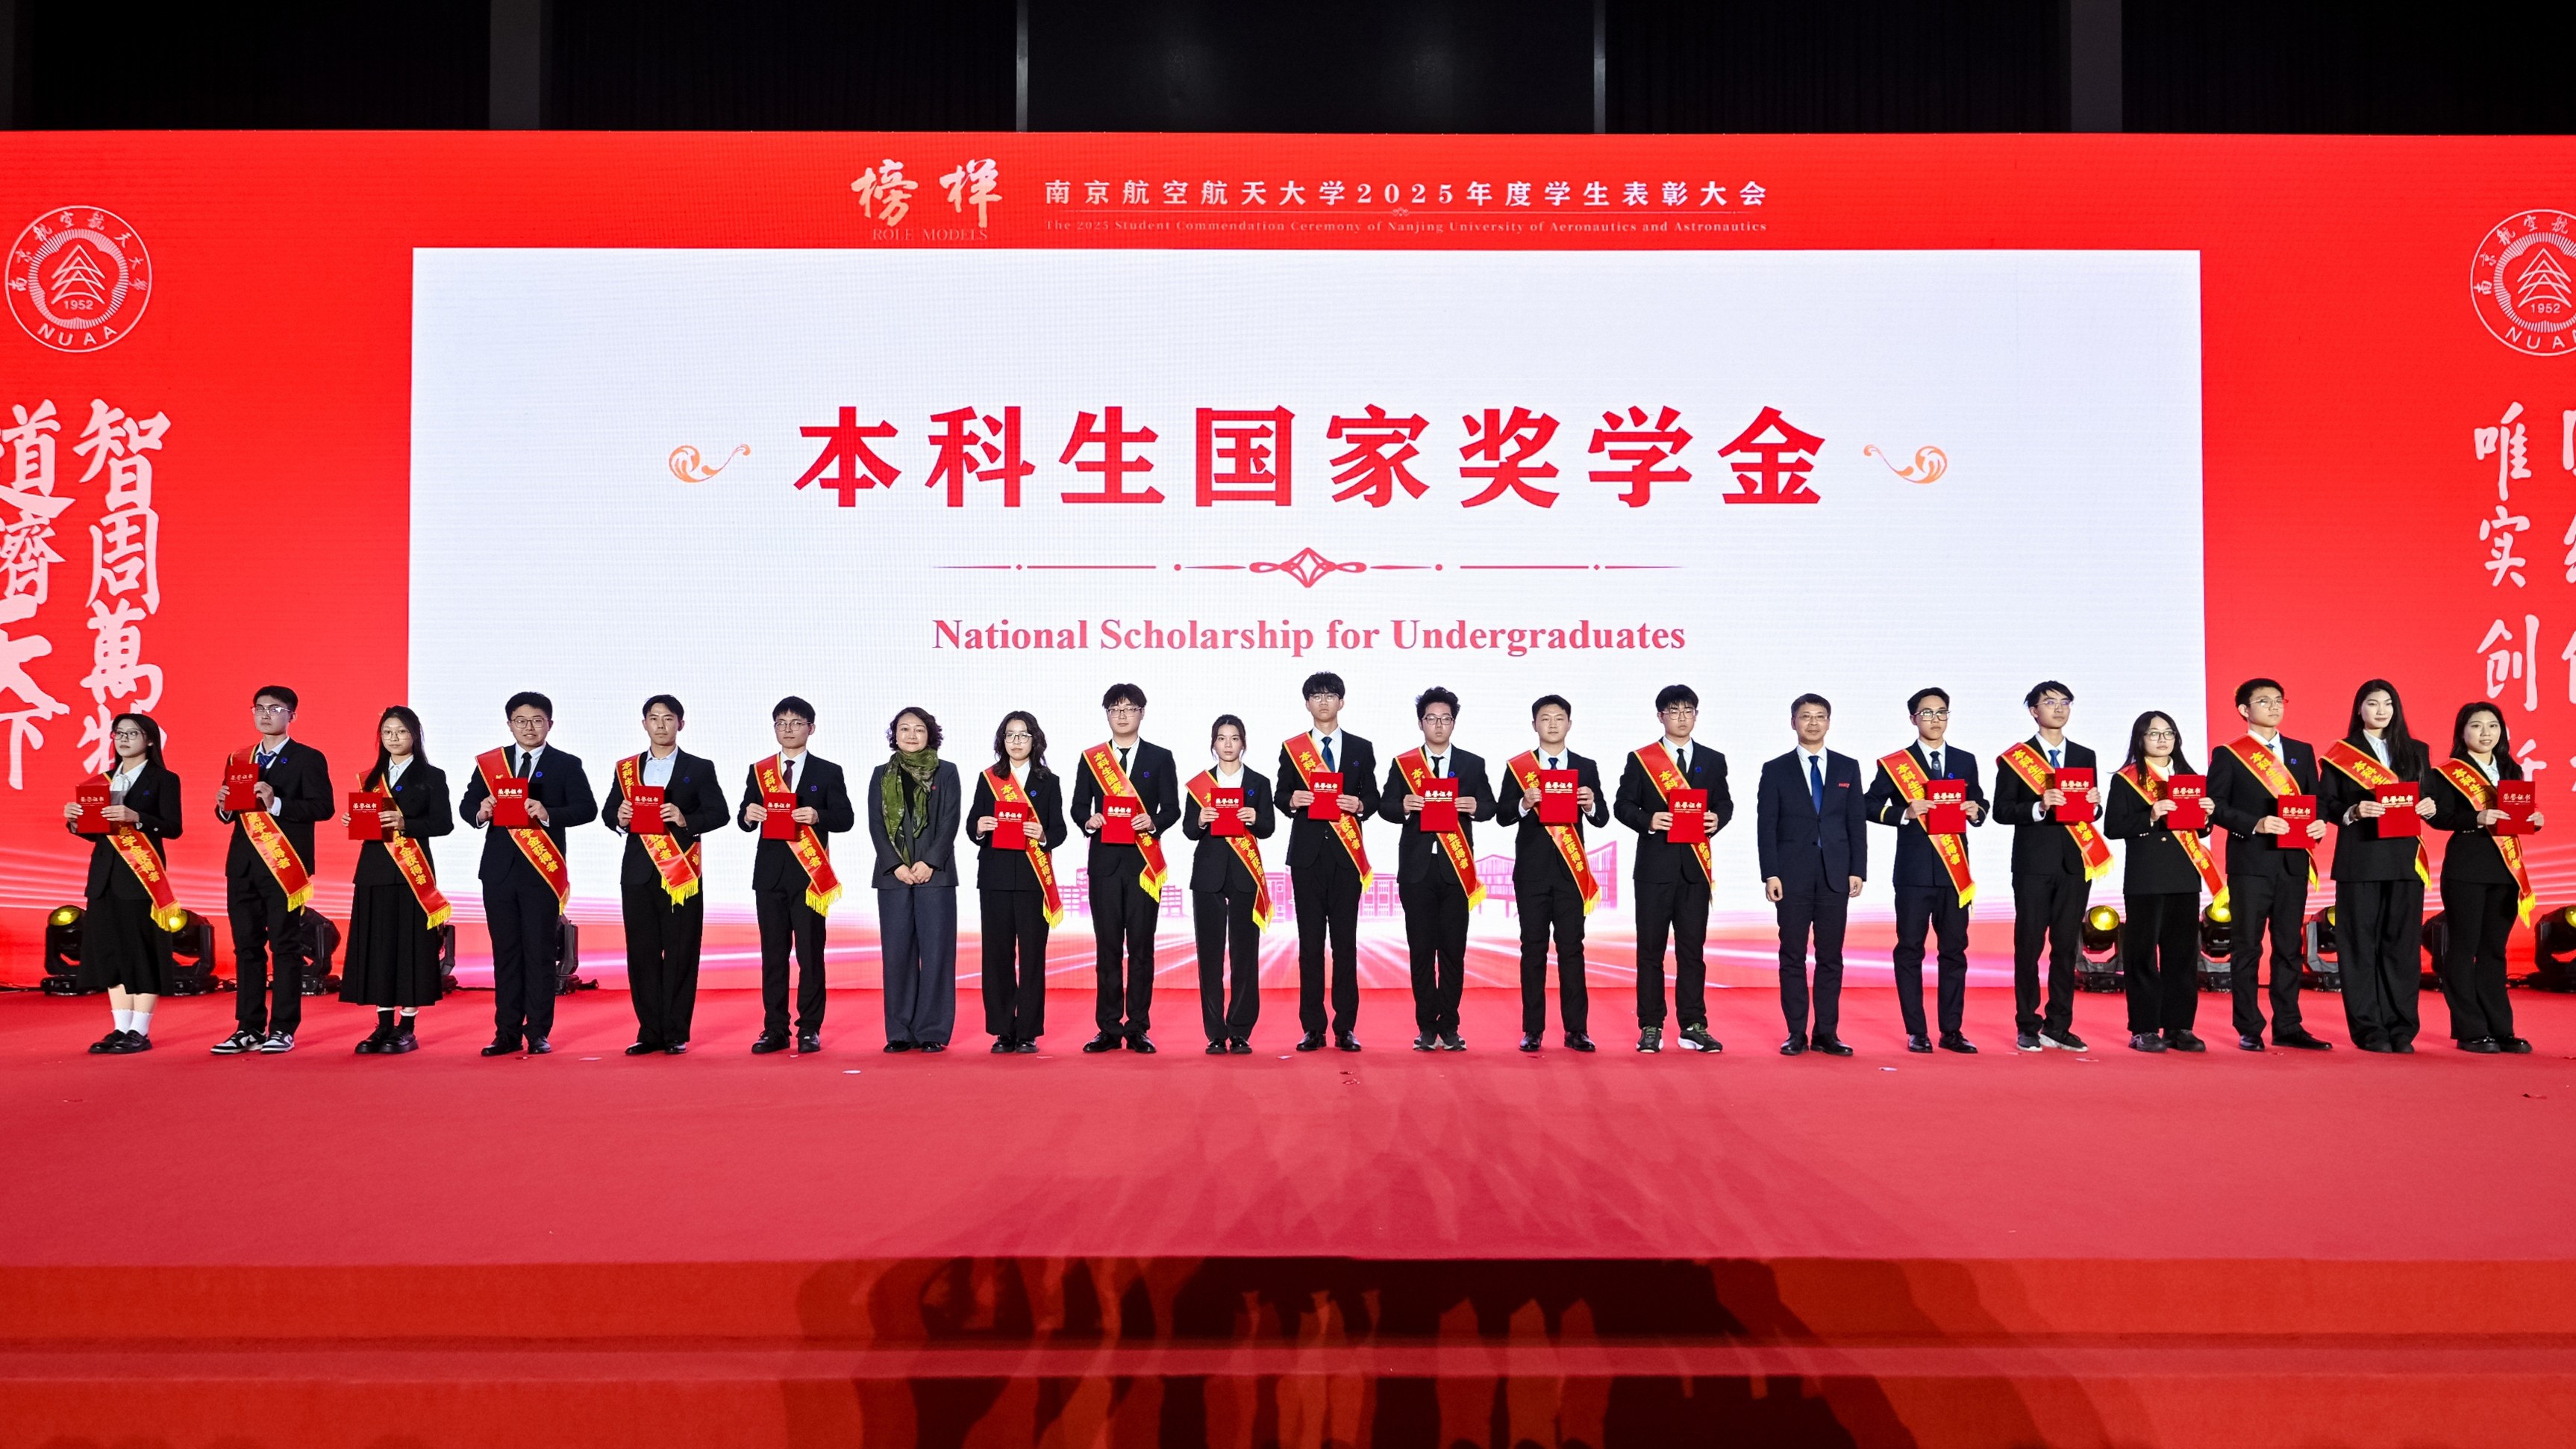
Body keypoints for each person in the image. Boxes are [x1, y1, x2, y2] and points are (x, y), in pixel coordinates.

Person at [457, 692, 597, 1057]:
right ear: (510, 724)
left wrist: (548, 813)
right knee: (505, 952)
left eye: (537, 721)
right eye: (521, 721)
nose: (529, 727)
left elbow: (587, 809)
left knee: (539, 952)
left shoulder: (566, 764)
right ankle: (506, 1032)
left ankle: (537, 1031)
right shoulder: (491, 764)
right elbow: (467, 806)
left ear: (550, 724)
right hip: (499, 872)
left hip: (541, 872)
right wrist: (482, 811)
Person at [2207, 677, 2332, 1051]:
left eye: (2279, 700)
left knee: (2289, 947)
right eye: (2264, 701)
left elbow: (2316, 800)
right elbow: (2215, 806)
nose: (2275, 707)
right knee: (2247, 947)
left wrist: (2320, 822)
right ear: (2244, 710)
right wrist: (2254, 824)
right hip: (2251, 864)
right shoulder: (2229, 754)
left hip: (2293, 863)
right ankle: (2249, 1026)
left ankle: (2289, 1025)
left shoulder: (2301, 751)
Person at [601, 695, 729, 1055]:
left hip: (680, 874)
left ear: (680, 724)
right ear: (644, 724)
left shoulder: (699, 767)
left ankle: (675, 1032)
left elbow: (719, 813)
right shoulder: (626, 768)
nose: (661, 724)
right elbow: (608, 812)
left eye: (668, 718)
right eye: (654, 718)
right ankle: (649, 1031)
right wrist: (619, 818)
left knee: (681, 952)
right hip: (638, 873)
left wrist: (686, 819)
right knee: (641, 954)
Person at [1863, 687, 1988, 1053]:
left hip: (1954, 873)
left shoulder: (1965, 760)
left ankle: (1952, 1030)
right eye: (1927, 713)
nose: (1936, 719)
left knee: (1955, 952)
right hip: (1913, 874)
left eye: (1942, 712)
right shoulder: (1896, 764)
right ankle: (1916, 1030)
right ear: (1913, 718)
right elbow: (1867, 804)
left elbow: (1980, 801)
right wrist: (1903, 813)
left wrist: (1976, 811)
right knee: (1910, 950)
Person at [209, 686, 332, 1056]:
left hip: (284, 865)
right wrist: (223, 807)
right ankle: (247, 1027)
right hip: (243, 865)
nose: (265, 715)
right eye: (259, 708)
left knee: (285, 946)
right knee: (246, 946)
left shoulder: (308, 758)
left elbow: (323, 808)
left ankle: (282, 1028)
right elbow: (230, 813)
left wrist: (276, 803)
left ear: (292, 715)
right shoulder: (239, 758)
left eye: (275, 709)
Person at [2319, 680, 2437, 1053]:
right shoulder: (2341, 754)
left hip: (2405, 860)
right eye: (2373, 703)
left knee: (2402, 945)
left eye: (2388, 703)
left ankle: (2401, 1028)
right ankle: (2369, 1029)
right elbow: (2326, 804)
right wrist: (2354, 810)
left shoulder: (2416, 750)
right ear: (2360, 709)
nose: (2382, 710)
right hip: (2361, 858)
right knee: (2359, 945)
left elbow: (2428, 796)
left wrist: (2429, 805)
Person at [1614, 683, 1733, 1053]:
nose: (1682, 718)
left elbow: (1725, 804)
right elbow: (1622, 805)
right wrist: (1649, 820)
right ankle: (1650, 1024)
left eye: (1688, 711)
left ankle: (1693, 1024)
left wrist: (1717, 819)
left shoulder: (1713, 760)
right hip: (1654, 870)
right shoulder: (1642, 759)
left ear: (1696, 715)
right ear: (1660, 716)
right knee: (1650, 951)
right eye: (1674, 711)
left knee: (1692, 951)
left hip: (1694, 870)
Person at [1990, 680, 2107, 1053]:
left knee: (2066, 947)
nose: (2059, 708)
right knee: (2029, 945)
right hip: (2033, 865)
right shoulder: (2016, 758)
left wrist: (2095, 804)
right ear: (2033, 711)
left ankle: (2059, 1025)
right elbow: (2001, 810)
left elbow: (2090, 812)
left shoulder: (2084, 755)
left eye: (2065, 702)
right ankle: (2027, 1023)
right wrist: (2039, 806)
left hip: (2075, 864)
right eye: (2050, 702)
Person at [1379, 686, 1495, 1052]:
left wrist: (1474, 806)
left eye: (1446, 719)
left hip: (1456, 870)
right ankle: (1426, 1026)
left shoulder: (1472, 764)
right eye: (1432, 718)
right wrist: (1404, 805)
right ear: (1421, 723)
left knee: (1453, 952)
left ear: (1454, 723)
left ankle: (1450, 1026)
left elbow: (1490, 807)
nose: (1439, 725)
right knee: (1421, 951)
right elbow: (1385, 807)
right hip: (1417, 870)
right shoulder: (1404, 764)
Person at [737, 696, 854, 1055]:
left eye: (796, 723)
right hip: (770, 877)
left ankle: (809, 1028)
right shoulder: (760, 771)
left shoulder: (828, 771)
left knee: (810, 955)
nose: (788, 729)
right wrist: (749, 815)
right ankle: (774, 1028)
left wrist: (818, 816)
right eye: (781, 723)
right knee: (773, 956)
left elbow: (845, 819)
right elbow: (744, 817)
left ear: (811, 728)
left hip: (810, 878)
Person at [1070, 683, 1183, 1053]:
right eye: (1115, 709)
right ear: (1107, 714)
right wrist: (1089, 820)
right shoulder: (1092, 759)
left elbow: (1172, 809)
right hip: (1104, 865)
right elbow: (1077, 807)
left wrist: (1154, 822)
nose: (1122, 715)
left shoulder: (1160, 757)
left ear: (1142, 713)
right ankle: (1107, 1027)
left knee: (1141, 947)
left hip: (1143, 866)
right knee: (1107, 949)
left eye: (1129, 708)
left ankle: (1137, 1027)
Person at [1494, 694, 1609, 1051]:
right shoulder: (1519, 768)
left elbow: (1603, 818)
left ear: (1570, 724)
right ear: (1534, 725)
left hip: (1571, 875)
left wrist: (1590, 805)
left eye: (1559, 718)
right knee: (1533, 949)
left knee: (1572, 950)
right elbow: (1502, 816)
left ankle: (1577, 1030)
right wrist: (1523, 803)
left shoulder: (1586, 766)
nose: (1553, 724)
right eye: (1545, 718)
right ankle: (1533, 1030)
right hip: (1532, 874)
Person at [63, 712, 183, 1055]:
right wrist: (75, 822)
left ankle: (140, 1030)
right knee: (111, 951)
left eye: (133, 733)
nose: (124, 739)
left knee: (140, 951)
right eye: (119, 733)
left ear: (150, 740)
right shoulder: (100, 781)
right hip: (104, 878)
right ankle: (120, 1027)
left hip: (141, 878)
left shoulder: (164, 779)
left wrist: (138, 818)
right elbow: (95, 834)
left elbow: (173, 827)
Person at [1756, 694, 1869, 1056]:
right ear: (1794, 723)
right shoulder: (1776, 769)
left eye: (1820, 716)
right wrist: (1770, 873)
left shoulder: (1847, 767)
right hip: (1791, 876)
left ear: (1829, 722)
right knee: (1792, 955)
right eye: (1806, 717)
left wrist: (1858, 869)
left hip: (1836, 874)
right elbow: (1766, 826)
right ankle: (1796, 1033)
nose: (1813, 723)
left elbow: (1856, 823)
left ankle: (1826, 1033)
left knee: (1830, 956)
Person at [2104, 711, 2222, 1054]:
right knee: (2142, 955)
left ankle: (2179, 1026)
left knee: (2182, 955)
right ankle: (2143, 1028)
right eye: (2153, 733)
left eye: (2168, 733)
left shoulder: (2189, 777)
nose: (2162, 740)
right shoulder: (2127, 779)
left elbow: (2200, 830)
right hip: (2146, 878)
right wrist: (2151, 815)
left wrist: (2208, 816)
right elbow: (2113, 827)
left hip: (2184, 876)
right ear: (2140, 739)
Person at [2427, 702, 2541, 1054]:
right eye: (2477, 726)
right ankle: (2470, 1029)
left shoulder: (2511, 768)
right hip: (2466, 867)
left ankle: (2501, 1029)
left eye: (2493, 725)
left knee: (2494, 950)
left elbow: (2518, 814)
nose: (2486, 733)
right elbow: (2439, 817)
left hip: (2505, 870)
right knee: (2463, 948)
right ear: (2462, 732)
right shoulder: (2447, 773)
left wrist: (2534, 820)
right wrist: (2477, 817)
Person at [340, 707, 454, 1054]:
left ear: (415, 735)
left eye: (401, 732)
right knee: (378, 948)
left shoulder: (432, 776)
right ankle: (383, 1025)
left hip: (411, 875)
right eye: (387, 732)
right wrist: (355, 820)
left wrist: (406, 823)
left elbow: (444, 824)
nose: (394, 738)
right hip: (374, 871)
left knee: (411, 948)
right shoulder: (370, 778)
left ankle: (407, 1026)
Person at [1277, 672, 1380, 1051]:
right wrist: (1292, 800)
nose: (1323, 701)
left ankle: (1345, 1027)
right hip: (1307, 858)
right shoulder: (1293, 749)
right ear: (1307, 703)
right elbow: (1279, 794)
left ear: (1342, 701)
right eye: (1317, 696)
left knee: (1345, 945)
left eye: (1330, 695)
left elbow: (1374, 796)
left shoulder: (1360, 748)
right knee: (1310, 946)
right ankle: (1313, 1028)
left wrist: (1360, 804)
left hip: (1346, 857)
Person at [968, 710, 1067, 1054]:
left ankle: (1027, 1031)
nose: (1016, 741)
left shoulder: (1048, 781)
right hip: (994, 878)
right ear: (1002, 741)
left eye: (1023, 735)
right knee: (997, 956)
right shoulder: (988, 778)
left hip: (1031, 880)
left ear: (1034, 740)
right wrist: (979, 827)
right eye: (1010, 735)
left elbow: (1059, 831)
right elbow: (971, 825)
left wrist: (1042, 834)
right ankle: (1002, 1030)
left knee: (1032, 957)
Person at [1181, 713, 1276, 1054]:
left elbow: (1268, 828)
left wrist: (1255, 817)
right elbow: (1188, 830)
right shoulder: (1200, 784)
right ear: (1213, 744)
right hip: (1208, 875)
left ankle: (1240, 1030)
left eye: (1234, 738)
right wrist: (1201, 819)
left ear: (1243, 743)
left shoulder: (1258, 783)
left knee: (1244, 953)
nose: (1228, 744)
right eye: (1221, 738)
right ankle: (1215, 1033)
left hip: (1244, 875)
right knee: (1209, 955)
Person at [868, 707, 961, 1053]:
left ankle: (932, 1030)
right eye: (904, 729)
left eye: (918, 729)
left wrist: (930, 862)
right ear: (895, 735)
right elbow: (876, 824)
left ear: (930, 735)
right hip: (893, 877)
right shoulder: (881, 774)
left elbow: (950, 821)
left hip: (935, 875)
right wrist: (895, 865)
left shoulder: (946, 772)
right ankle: (900, 1031)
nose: (911, 735)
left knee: (937, 953)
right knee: (897, 955)